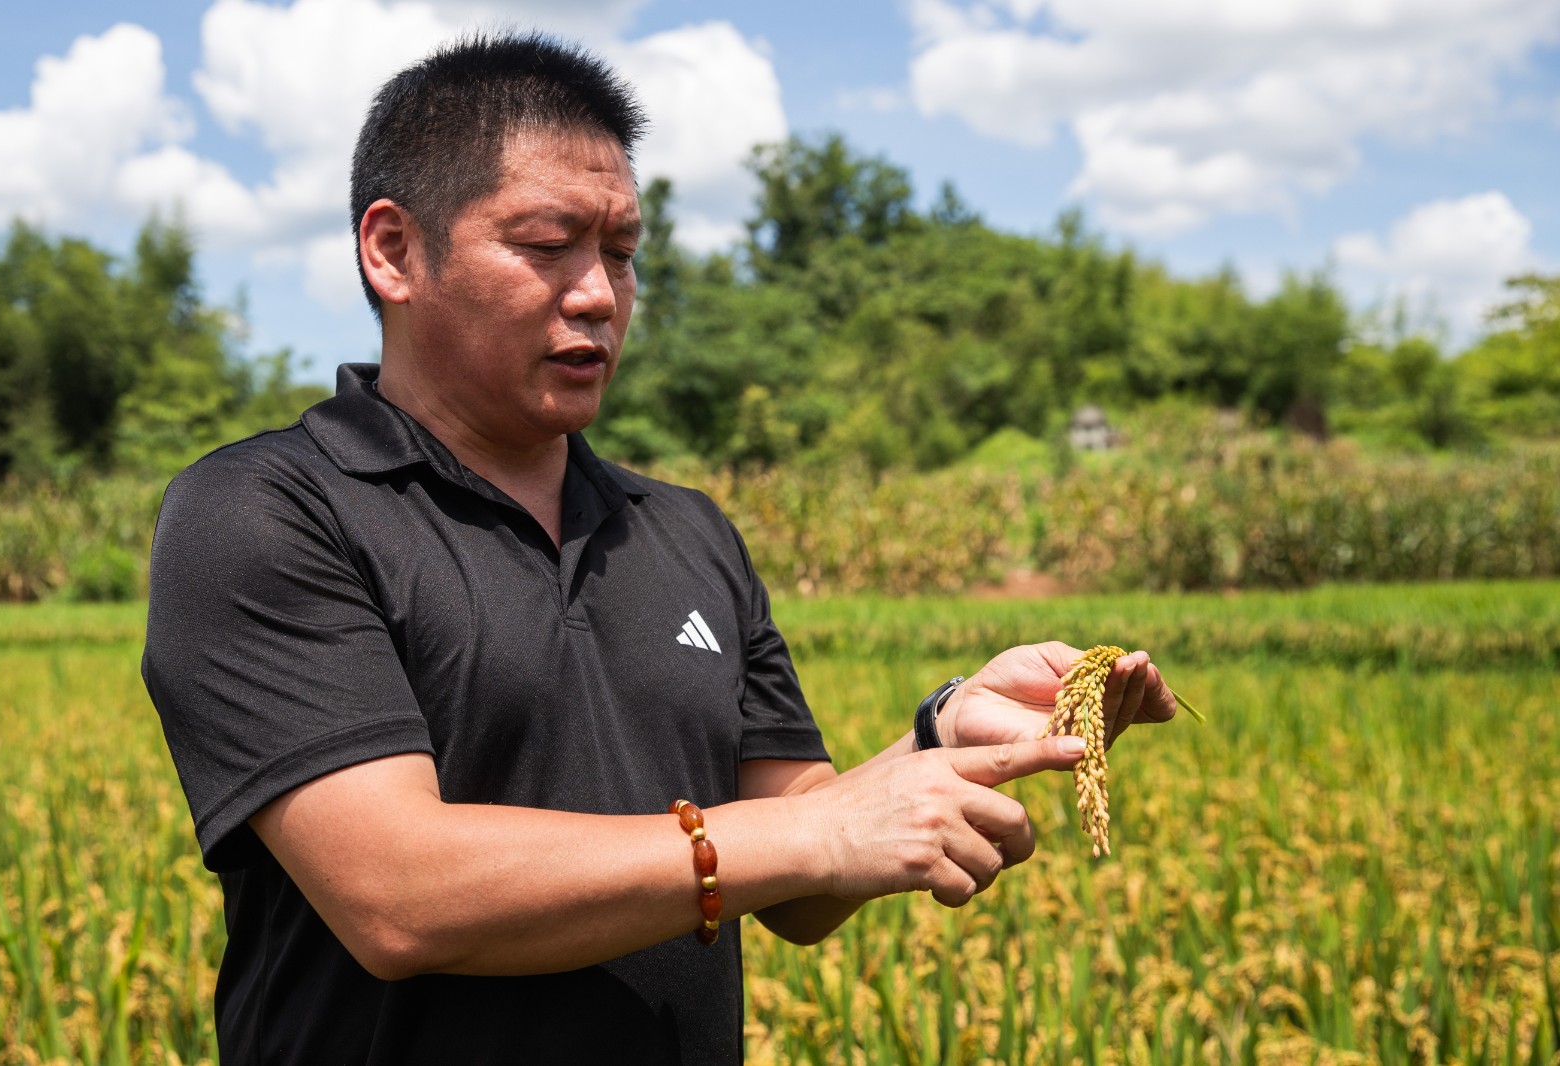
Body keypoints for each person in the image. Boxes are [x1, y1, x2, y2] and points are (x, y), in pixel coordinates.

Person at [143, 31, 1178, 1066]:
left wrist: (942, 742)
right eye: (547, 244)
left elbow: (801, 867)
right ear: (394, 250)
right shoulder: (265, 510)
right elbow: (398, 893)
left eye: (622, 253)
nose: (598, 292)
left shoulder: (685, 534)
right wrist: (812, 834)